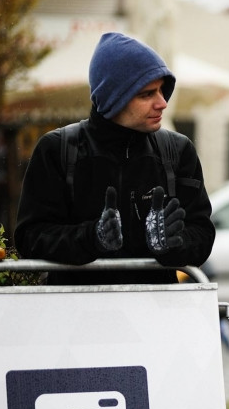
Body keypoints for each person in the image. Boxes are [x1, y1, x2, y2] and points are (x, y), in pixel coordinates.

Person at [15, 32, 215, 285]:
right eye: (147, 94)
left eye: (162, 91)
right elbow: (30, 238)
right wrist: (92, 238)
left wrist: (173, 244)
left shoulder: (178, 150)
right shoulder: (58, 149)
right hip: (75, 312)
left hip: (155, 314)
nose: (162, 103)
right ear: (113, 98)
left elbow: (203, 236)